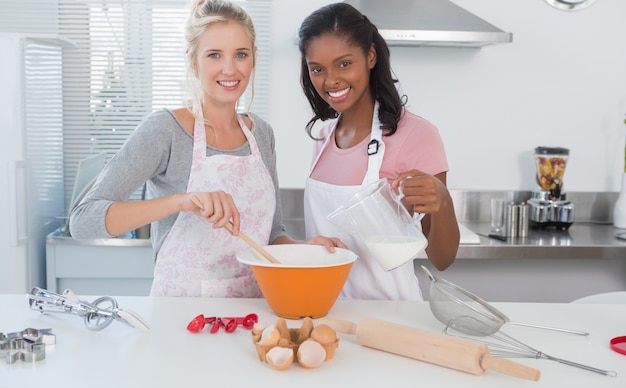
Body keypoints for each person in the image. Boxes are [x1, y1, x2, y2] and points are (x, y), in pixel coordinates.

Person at [70, 0, 342, 297]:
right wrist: (182, 201)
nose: (230, 69)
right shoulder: (166, 130)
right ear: (193, 60)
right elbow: (83, 221)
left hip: (252, 314)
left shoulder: (261, 134)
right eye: (214, 55)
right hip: (181, 319)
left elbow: (272, 234)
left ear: (253, 58)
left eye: (241, 54)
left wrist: (306, 250)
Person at [298, 3, 460, 301]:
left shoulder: (416, 135)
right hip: (325, 310)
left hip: (392, 316)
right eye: (317, 69)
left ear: (370, 56)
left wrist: (444, 200)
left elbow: (443, 259)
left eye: (344, 64)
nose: (330, 80)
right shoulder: (322, 137)